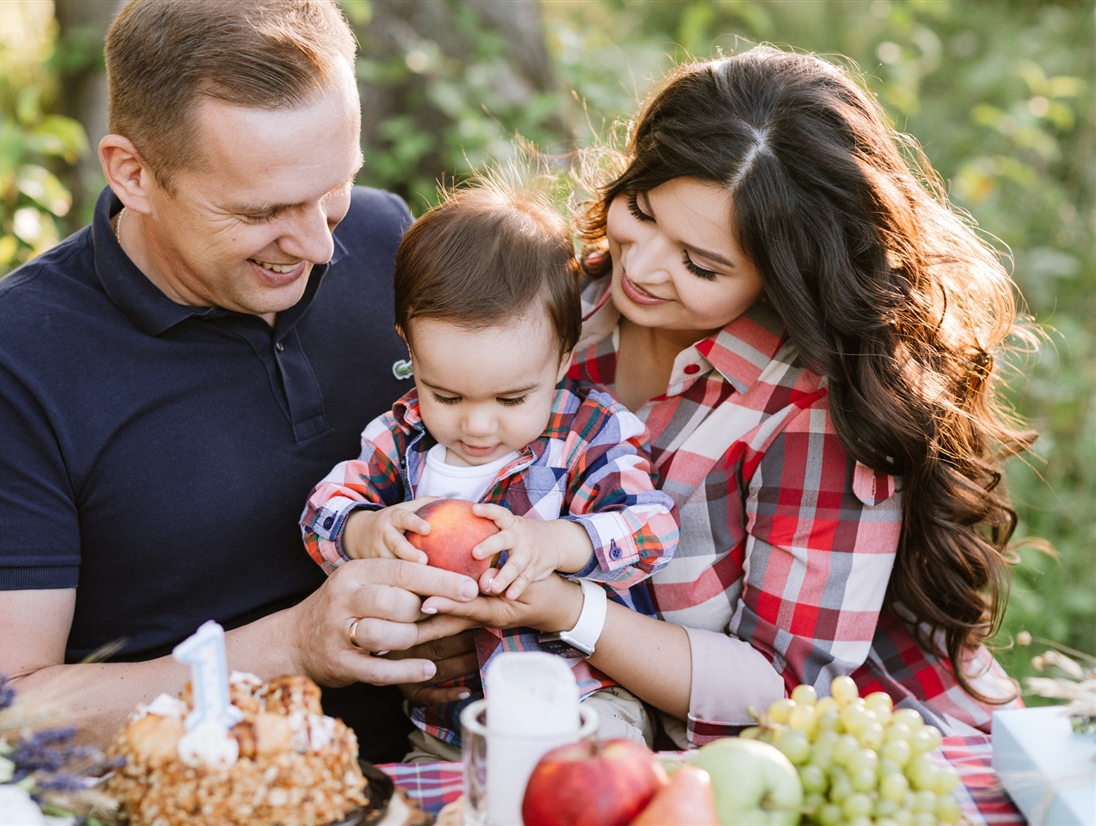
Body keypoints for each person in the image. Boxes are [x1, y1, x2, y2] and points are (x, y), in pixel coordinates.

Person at [0, 0, 479, 763]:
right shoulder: (3, 370)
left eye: (333, 186)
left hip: (417, 775)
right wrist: (295, 646)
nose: (317, 244)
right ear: (134, 173)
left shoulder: (382, 237)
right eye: (263, 210)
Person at [424, 45, 1036, 746]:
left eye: (702, 263)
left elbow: (782, 697)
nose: (644, 267)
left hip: (854, 753)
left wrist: (560, 609)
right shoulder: (554, 318)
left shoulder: (810, 411)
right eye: (644, 212)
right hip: (593, 740)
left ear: (779, 273)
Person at [300, 179, 680, 759]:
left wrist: (556, 543)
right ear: (411, 352)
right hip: (449, 725)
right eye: (447, 395)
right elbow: (320, 514)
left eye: (509, 400)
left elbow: (653, 528)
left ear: (562, 358)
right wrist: (366, 529)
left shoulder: (590, 432)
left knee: (587, 783)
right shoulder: (400, 435)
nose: (477, 426)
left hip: (582, 706)